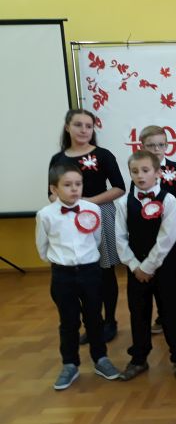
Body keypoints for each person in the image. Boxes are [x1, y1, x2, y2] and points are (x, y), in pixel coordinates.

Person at [36, 164, 120, 390]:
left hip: (90, 271)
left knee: (94, 318)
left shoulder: (92, 209)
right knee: (68, 321)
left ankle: (100, 358)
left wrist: (85, 259)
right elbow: (42, 247)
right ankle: (70, 364)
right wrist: (61, 262)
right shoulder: (45, 215)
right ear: (54, 189)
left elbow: (96, 238)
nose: (74, 189)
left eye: (78, 184)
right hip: (62, 275)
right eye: (67, 185)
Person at [49, 109, 125, 344]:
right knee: (80, 273)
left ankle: (109, 321)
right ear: (67, 127)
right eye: (78, 125)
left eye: (88, 126)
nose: (84, 130)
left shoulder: (103, 155)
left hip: (100, 214)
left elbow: (119, 188)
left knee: (105, 272)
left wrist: (88, 203)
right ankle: (92, 323)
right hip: (69, 219)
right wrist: (71, 205)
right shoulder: (58, 159)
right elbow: (51, 194)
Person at [115, 151, 176, 381]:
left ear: (158, 173)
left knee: (170, 312)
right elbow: (120, 238)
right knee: (138, 313)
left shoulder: (169, 200)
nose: (140, 175)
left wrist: (148, 266)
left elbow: (168, 237)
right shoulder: (123, 203)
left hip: (164, 267)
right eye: (134, 171)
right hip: (136, 269)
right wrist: (134, 265)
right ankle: (139, 358)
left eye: (145, 170)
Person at [138, 126, 176, 335]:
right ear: (142, 146)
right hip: (148, 233)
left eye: (161, 145)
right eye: (151, 145)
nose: (157, 149)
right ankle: (162, 315)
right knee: (156, 275)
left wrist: (164, 216)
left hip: (174, 232)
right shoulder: (139, 170)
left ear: (167, 145)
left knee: (174, 275)